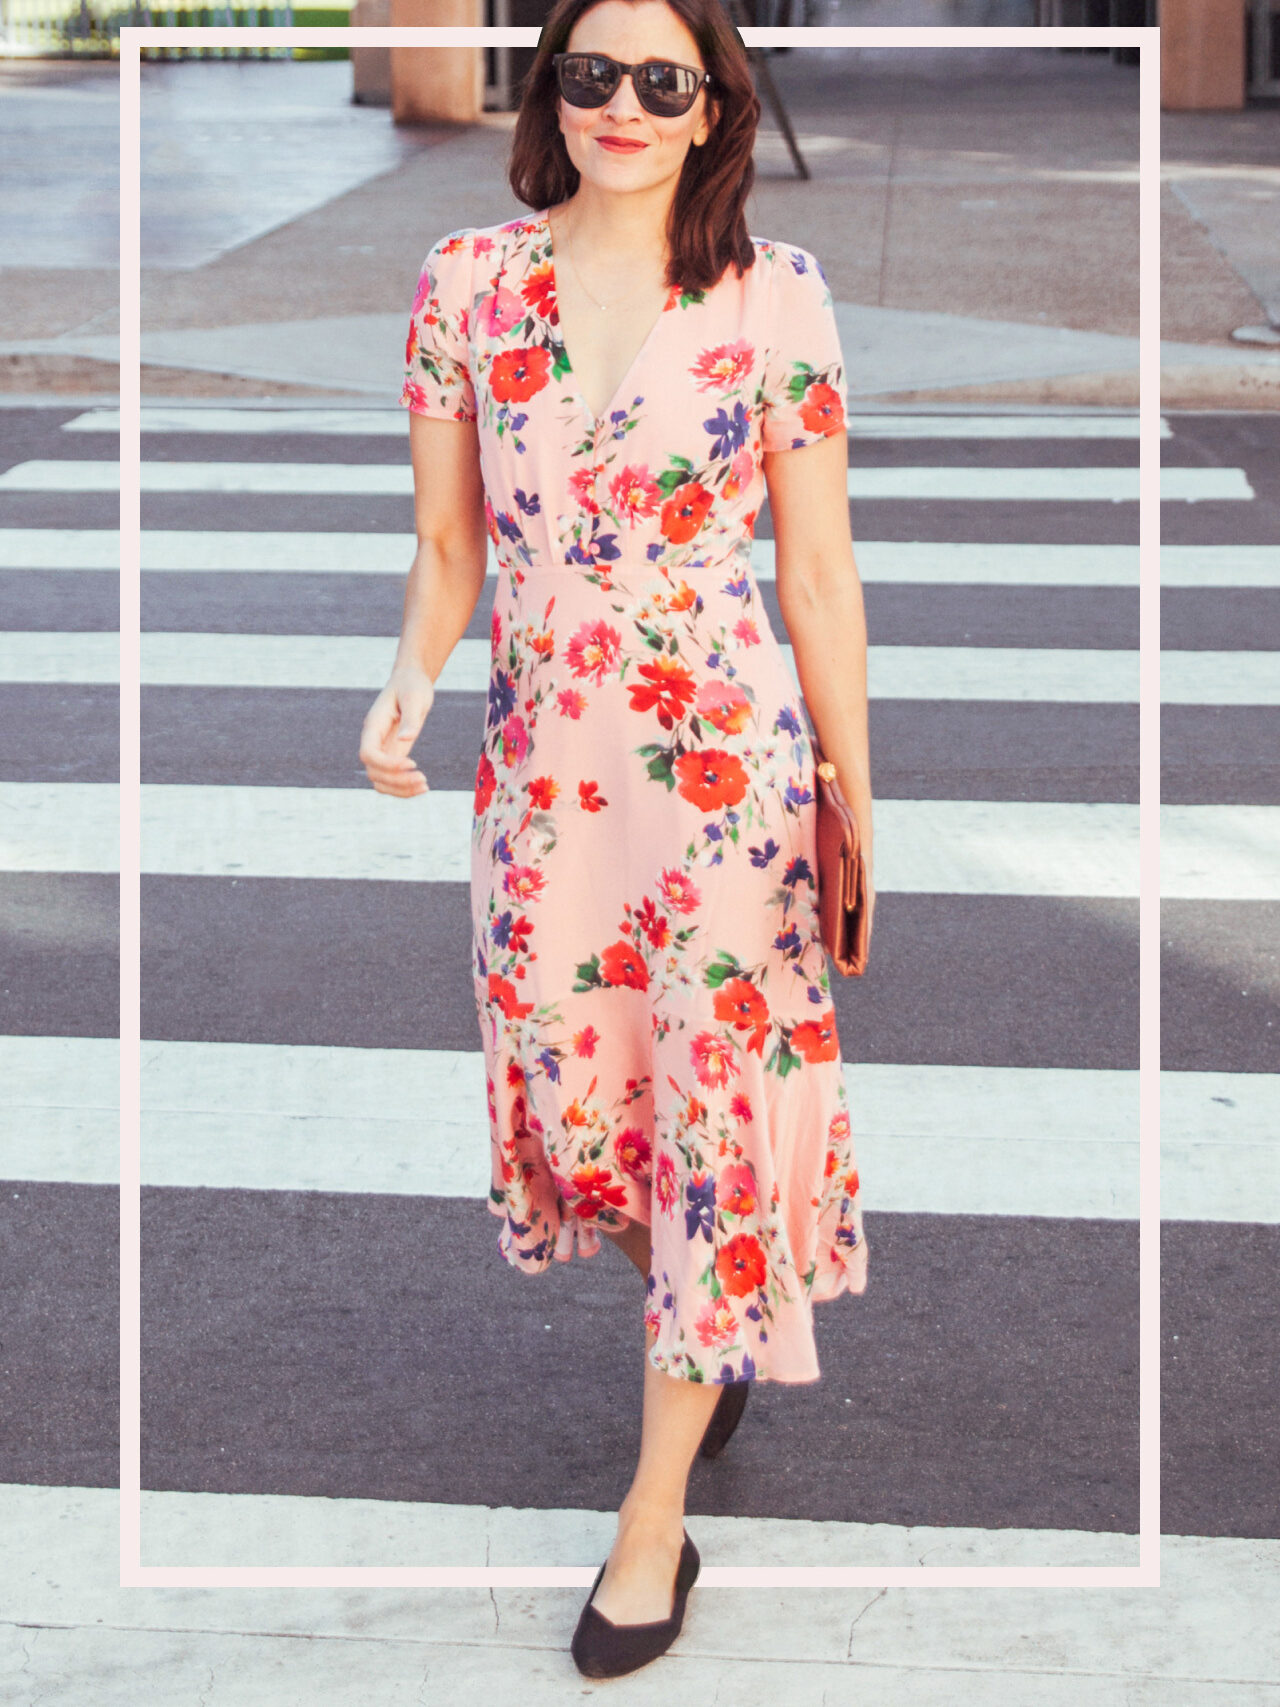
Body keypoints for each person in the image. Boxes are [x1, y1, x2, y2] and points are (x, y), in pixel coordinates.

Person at [359, 0, 875, 1676]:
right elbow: (449, 546)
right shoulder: (464, 283)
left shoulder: (772, 291)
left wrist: (853, 795)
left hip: (721, 775)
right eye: (595, 74)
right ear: (551, 89)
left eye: (668, 80)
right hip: (541, 782)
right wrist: (407, 688)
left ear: (718, 104)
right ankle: (712, 1312)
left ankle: (653, 1525)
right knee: (597, 1104)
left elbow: (815, 574)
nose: (628, 106)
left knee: (714, 1105)